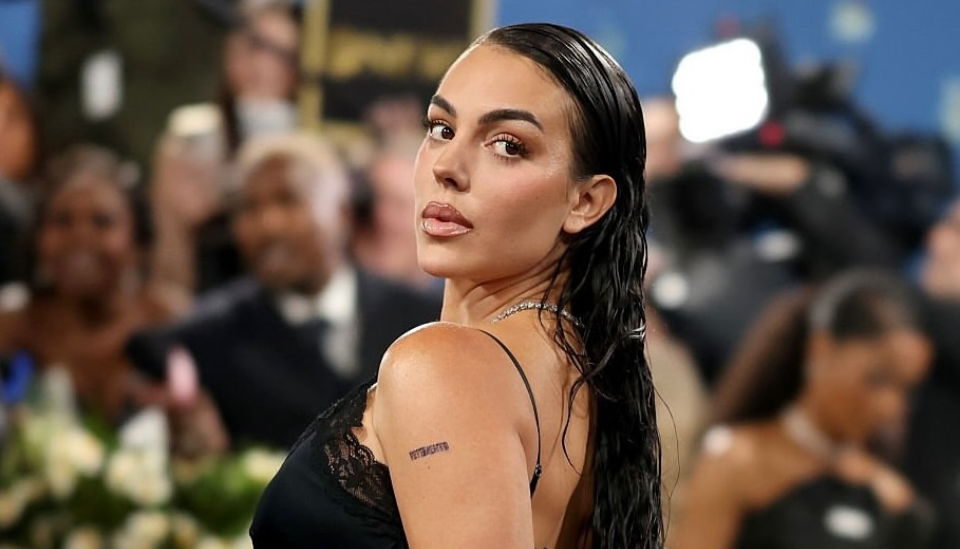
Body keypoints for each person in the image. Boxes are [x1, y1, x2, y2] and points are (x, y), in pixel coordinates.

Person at [251, 23, 662, 549]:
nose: (447, 166)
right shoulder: (586, 372)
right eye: (441, 128)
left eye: (508, 145)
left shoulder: (444, 368)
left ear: (586, 201)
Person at [126, 132, 440, 451]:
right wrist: (180, 393)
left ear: (342, 213)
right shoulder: (209, 334)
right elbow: (146, 355)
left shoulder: (422, 319)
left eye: (288, 201)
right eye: (249, 207)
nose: (268, 225)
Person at [674, 270, 934, 549]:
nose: (890, 407)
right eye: (877, 379)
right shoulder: (735, 463)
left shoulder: (892, 501)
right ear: (821, 348)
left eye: (905, 390)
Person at [0, 145, 174, 422]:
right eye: (62, 221)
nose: (80, 238)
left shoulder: (170, 321)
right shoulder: (10, 327)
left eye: (102, 221)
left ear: (137, 240)